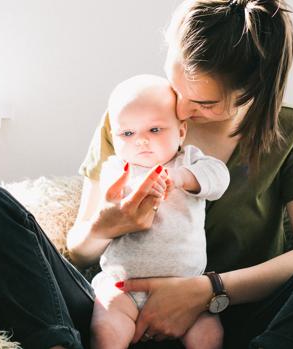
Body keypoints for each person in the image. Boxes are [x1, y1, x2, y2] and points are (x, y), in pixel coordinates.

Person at [0, 0, 293, 348]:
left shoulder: (290, 131)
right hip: (115, 313)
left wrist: (207, 292)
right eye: (177, 84)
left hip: (229, 321)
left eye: (204, 103)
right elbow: (80, 253)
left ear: (253, 93)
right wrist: (109, 226)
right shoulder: (136, 117)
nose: (182, 110)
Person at [89, 74, 228, 349]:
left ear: (181, 132)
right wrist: (125, 195)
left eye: (154, 130)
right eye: (127, 133)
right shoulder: (117, 169)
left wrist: (182, 178)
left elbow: (219, 178)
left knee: (210, 335)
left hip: (185, 291)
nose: (140, 141)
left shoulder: (189, 161)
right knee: (105, 331)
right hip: (123, 288)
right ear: (113, 137)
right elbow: (108, 203)